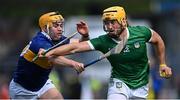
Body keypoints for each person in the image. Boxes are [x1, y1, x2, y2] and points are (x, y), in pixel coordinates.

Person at [39, 6, 173, 99]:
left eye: (112, 22)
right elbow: (75, 48)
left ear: (123, 21)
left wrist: (162, 64)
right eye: (106, 23)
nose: (109, 27)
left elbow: (158, 40)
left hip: (142, 84)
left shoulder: (142, 32)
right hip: (120, 83)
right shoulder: (103, 41)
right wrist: (50, 52)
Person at [9, 11, 88, 99]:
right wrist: (73, 64)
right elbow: (51, 58)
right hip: (23, 89)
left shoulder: (57, 39)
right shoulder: (39, 42)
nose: (60, 29)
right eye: (55, 26)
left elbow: (80, 44)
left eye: (61, 25)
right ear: (45, 28)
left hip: (42, 85)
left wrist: (85, 35)